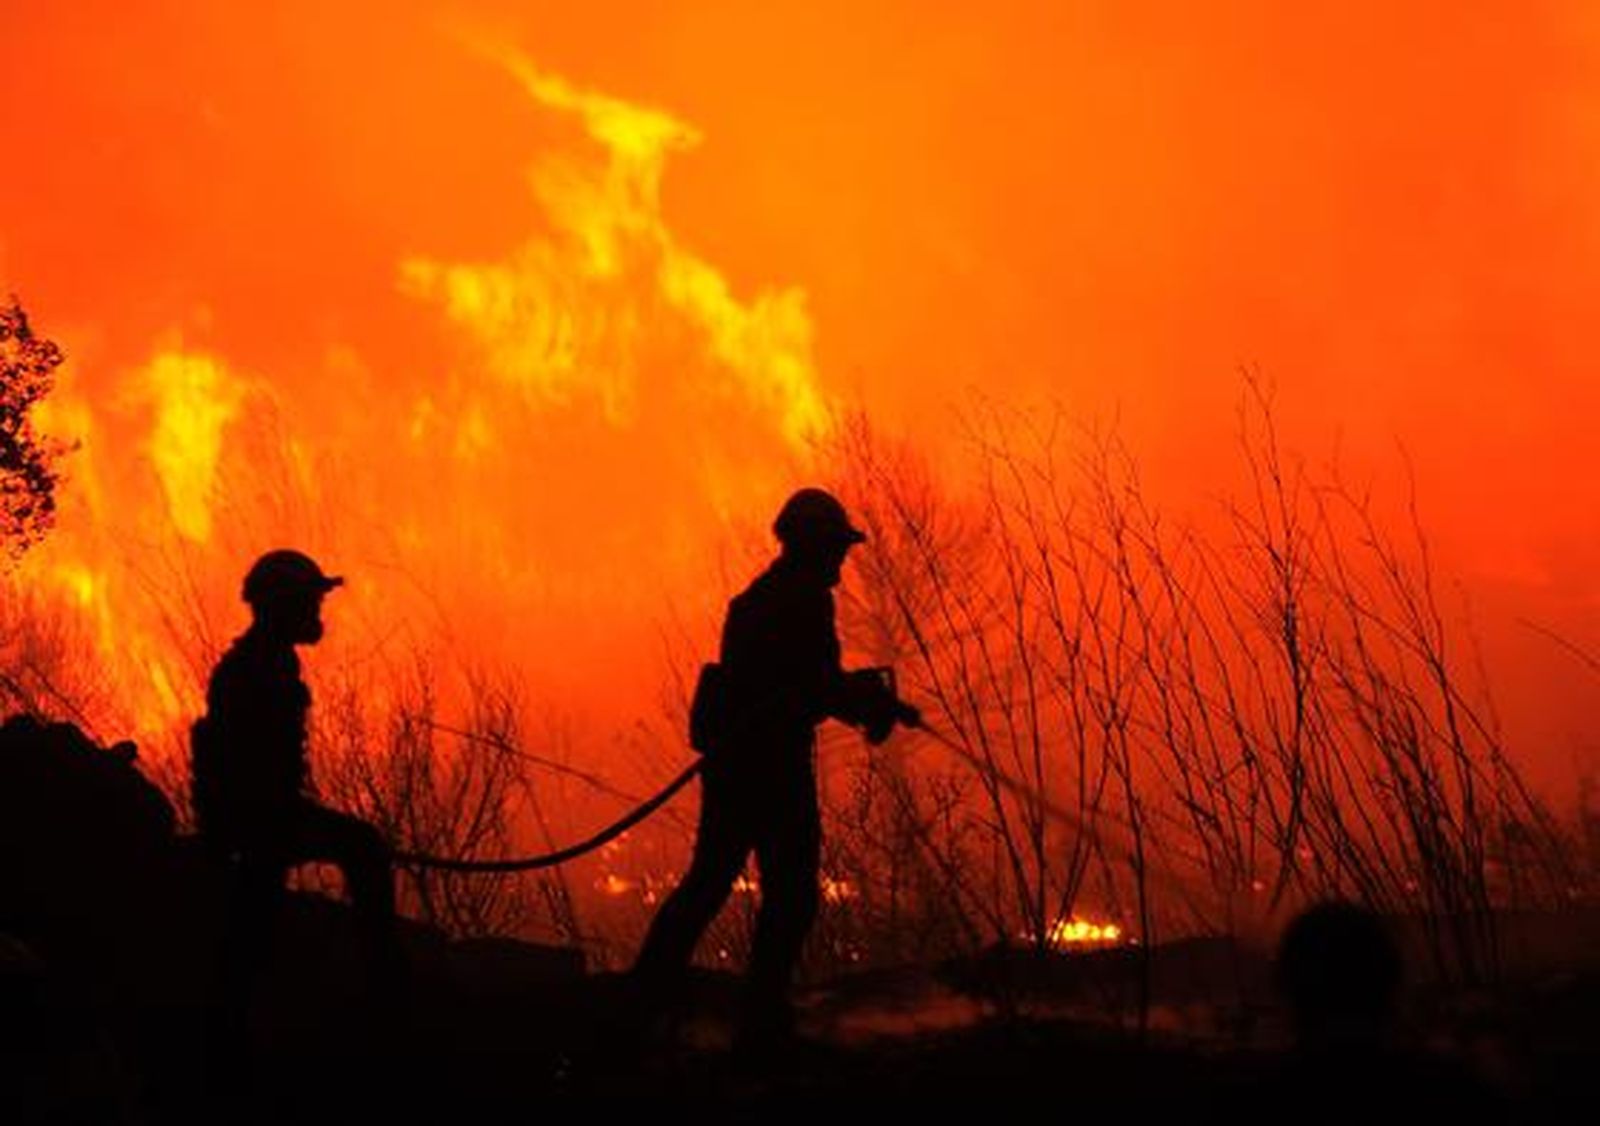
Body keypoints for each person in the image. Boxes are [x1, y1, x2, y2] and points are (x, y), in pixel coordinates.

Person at [632, 488, 919, 1052]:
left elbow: (806, 684)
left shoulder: (763, 599)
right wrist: (870, 703)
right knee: (790, 895)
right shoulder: (801, 601)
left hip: (739, 764)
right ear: (810, 545)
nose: (841, 560)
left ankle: (645, 997)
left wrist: (867, 700)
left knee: (709, 883)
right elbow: (811, 686)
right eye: (835, 548)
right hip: (770, 767)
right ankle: (760, 1019)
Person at [193, 550, 398, 1088]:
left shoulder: (268, 662)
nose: (317, 610)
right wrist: (257, 823)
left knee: (250, 931)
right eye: (310, 601)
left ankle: (231, 1039)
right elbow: (242, 765)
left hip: (258, 817)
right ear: (283, 606)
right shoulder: (258, 670)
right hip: (256, 822)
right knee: (360, 850)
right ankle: (384, 996)